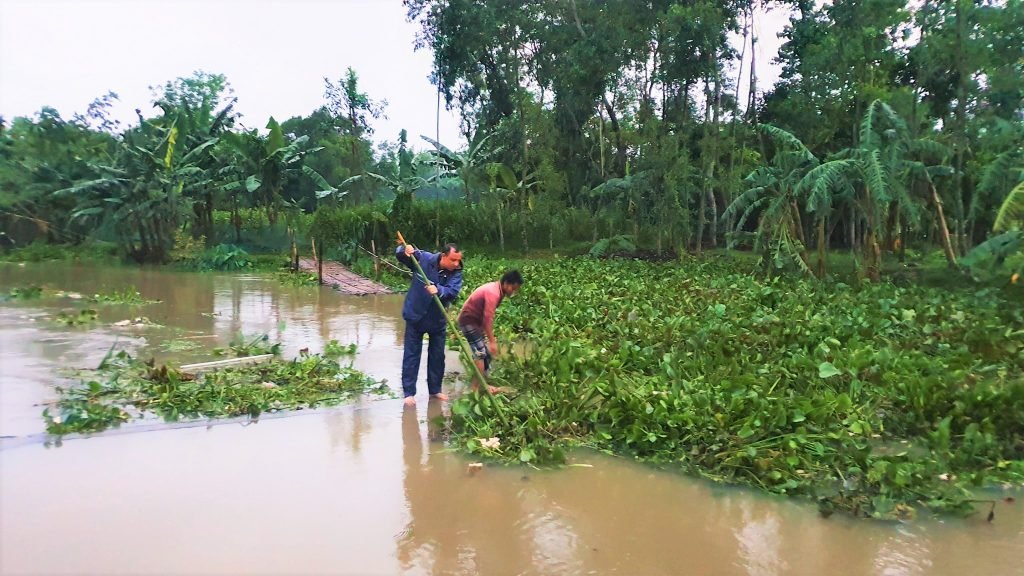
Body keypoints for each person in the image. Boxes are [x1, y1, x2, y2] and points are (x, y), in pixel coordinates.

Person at [396, 242, 464, 405]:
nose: (456, 264)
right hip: (416, 315)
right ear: (443, 256)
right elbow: (401, 256)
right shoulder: (424, 258)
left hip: (437, 319)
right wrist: (404, 250)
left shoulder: (457, 272)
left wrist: (439, 290)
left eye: (458, 260)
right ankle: (409, 393)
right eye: (453, 260)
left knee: (437, 357)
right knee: (412, 355)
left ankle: (435, 390)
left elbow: (453, 292)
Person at [457, 269, 523, 393]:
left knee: (486, 356)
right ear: (506, 283)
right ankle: (475, 389)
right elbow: (488, 318)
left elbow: (483, 315)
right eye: (513, 288)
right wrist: (492, 341)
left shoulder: (497, 289)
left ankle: (483, 383)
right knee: (481, 354)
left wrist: (485, 335)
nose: (513, 292)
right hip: (469, 322)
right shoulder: (494, 293)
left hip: (475, 322)